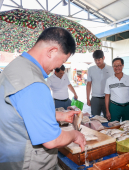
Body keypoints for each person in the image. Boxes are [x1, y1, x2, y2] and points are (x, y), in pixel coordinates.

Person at [0, 27, 86, 170]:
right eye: (63, 60)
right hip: (27, 163)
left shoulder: (16, 66)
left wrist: (60, 115)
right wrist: (75, 135)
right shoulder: (34, 83)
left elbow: (24, 110)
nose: (60, 66)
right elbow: (52, 140)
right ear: (52, 51)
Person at [86, 50, 114, 118]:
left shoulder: (111, 69)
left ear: (103, 58)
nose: (97, 62)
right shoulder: (91, 69)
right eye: (95, 60)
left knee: (108, 119)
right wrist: (87, 98)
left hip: (108, 98)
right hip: (95, 98)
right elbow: (89, 84)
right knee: (94, 119)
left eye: (99, 60)